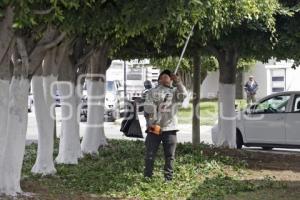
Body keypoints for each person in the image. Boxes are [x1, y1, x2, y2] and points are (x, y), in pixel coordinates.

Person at [143, 69, 188, 181]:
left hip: (170, 127)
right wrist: (157, 110)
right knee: (150, 153)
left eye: (167, 76)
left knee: (170, 156)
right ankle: (147, 177)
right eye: (162, 76)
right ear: (159, 79)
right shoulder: (152, 91)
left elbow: (184, 95)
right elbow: (148, 108)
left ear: (171, 79)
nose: (165, 78)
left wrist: (178, 82)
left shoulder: (174, 91)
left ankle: (168, 178)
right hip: (155, 126)